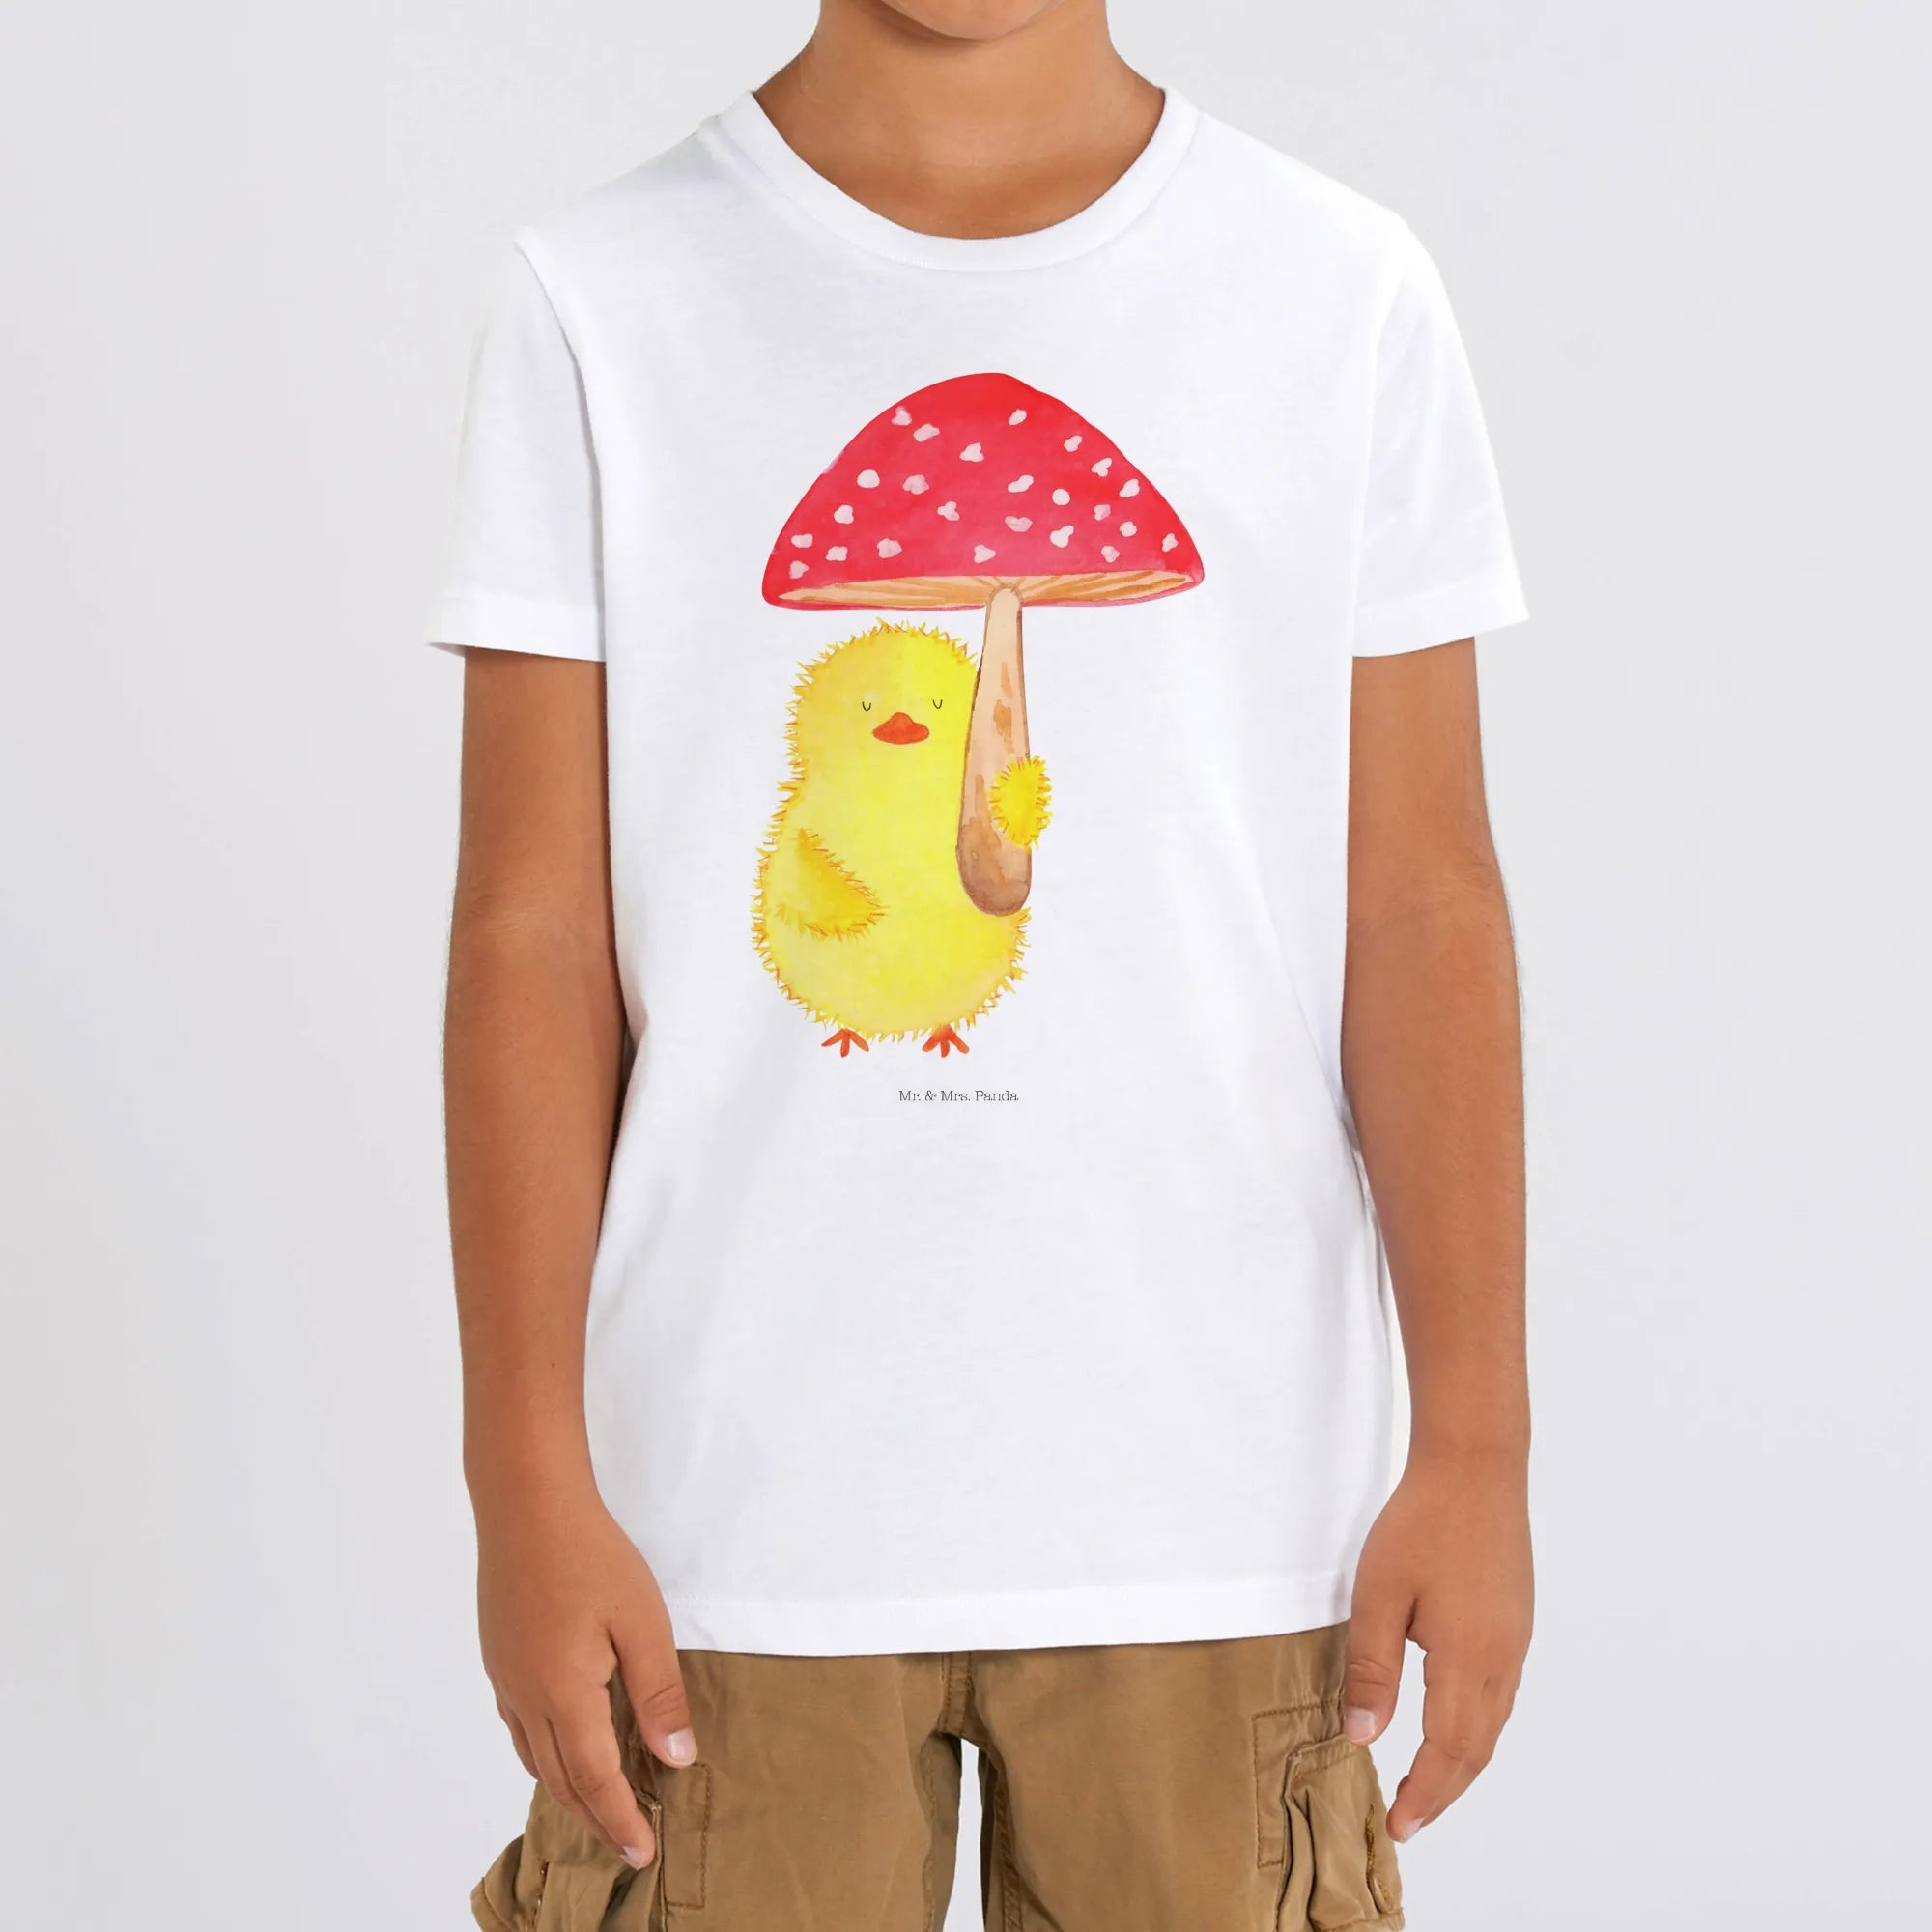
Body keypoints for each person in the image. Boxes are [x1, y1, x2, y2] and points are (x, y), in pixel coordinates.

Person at [434, 2, 1532, 1925]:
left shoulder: (1338, 291)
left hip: (1219, 1513)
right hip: (720, 1530)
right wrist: (520, 1468)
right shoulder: (599, 297)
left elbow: (1421, 905)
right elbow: (533, 935)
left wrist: (1478, 1436)